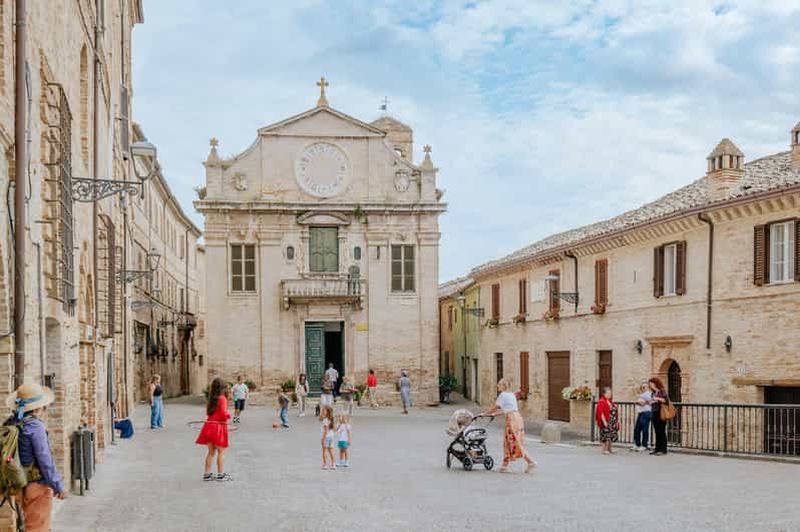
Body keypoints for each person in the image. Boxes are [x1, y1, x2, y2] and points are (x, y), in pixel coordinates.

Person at [5, 383, 67, 532]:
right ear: (38, 406)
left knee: (32, 526)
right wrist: (58, 485)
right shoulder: (35, 426)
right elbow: (45, 460)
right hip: (37, 488)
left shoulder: (13, 422)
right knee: (38, 529)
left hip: (22, 486)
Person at [484, 378, 536, 473]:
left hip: (512, 419)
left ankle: (530, 462)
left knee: (515, 441)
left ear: (504, 386)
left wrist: (484, 413)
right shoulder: (511, 395)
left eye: (499, 384)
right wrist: (494, 414)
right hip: (517, 417)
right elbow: (507, 409)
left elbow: (495, 407)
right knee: (508, 441)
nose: (497, 386)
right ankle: (504, 465)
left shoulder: (503, 395)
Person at [196, 377, 233, 481]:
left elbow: (209, 413)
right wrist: (229, 416)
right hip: (218, 427)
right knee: (221, 452)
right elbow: (223, 414)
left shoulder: (212, 398)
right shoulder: (222, 398)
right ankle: (221, 475)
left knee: (211, 452)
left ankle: (207, 475)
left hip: (208, 426)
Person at [649, 377, 670, 456]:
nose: (650, 385)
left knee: (661, 431)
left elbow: (666, 400)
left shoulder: (662, 391)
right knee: (657, 431)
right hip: (654, 412)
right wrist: (651, 401)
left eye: (651, 383)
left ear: (655, 383)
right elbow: (653, 401)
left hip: (661, 413)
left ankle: (663, 449)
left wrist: (657, 398)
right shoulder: (653, 393)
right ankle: (657, 449)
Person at [595, 387, 620, 455]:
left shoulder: (611, 401)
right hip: (606, 421)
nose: (609, 395)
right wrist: (604, 422)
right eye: (608, 393)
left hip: (612, 421)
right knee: (605, 435)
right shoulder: (601, 401)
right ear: (604, 394)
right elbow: (601, 412)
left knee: (611, 435)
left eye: (610, 393)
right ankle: (604, 449)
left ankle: (609, 449)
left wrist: (617, 421)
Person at [633, 381, 652, 451]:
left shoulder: (649, 394)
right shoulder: (643, 394)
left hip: (646, 412)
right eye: (642, 387)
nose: (643, 388)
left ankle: (644, 445)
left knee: (644, 429)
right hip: (641, 412)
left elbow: (644, 401)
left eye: (645, 387)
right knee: (637, 429)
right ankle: (637, 444)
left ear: (648, 387)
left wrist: (639, 401)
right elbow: (640, 402)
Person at [320, 406, 336, 470]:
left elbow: (325, 430)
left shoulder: (325, 420)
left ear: (327, 412)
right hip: (331, 436)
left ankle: (325, 464)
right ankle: (333, 463)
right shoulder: (332, 419)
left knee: (324, 451)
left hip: (326, 437)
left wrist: (323, 438)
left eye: (324, 411)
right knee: (331, 450)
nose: (323, 412)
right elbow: (334, 428)